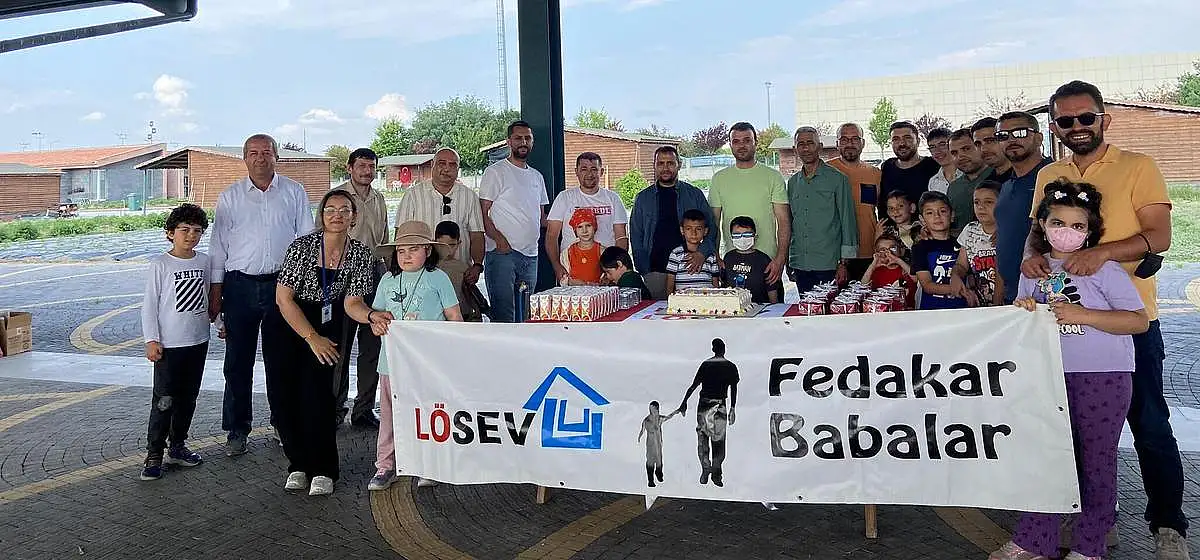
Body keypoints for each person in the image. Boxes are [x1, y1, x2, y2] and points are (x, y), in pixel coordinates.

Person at [1023, 80, 1186, 559]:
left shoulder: (1139, 166)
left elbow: (1159, 235)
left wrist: (1102, 254)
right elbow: (1037, 233)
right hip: (1063, 333)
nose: (1076, 126)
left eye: (1085, 117)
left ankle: (1168, 525)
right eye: (1065, 120)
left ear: (1103, 119)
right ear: (1054, 126)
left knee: (1149, 426)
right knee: (1071, 433)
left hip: (1128, 320)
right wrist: (1032, 259)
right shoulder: (1049, 172)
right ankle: (1095, 520)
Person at [993, 179, 1149, 560]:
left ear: (1090, 230)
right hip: (1048, 377)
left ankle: (1090, 545)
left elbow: (1138, 320)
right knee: (1046, 458)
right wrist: (1023, 310)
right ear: (1042, 225)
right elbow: (1022, 316)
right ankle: (1035, 540)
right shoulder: (1033, 271)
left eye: (1078, 225)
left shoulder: (1105, 269)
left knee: (1097, 461)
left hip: (1103, 378)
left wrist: (1084, 315)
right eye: (1058, 223)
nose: (1067, 232)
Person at [208, 133, 314, 457]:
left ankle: (282, 423)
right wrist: (216, 294)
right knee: (237, 363)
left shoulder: (294, 192)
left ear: (276, 157)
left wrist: (303, 289)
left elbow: (306, 241)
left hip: (282, 286)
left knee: (280, 361)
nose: (260, 158)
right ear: (244, 158)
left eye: (266, 152)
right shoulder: (230, 197)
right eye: (253, 153)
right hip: (239, 287)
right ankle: (237, 429)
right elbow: (217, 248)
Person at [268, 190, 377, 497]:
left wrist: (372, 316)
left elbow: (353, 303)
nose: (337, 215)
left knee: (318, 397)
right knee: (284, 397)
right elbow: (283, 299)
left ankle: (324, 469)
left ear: (354, 217)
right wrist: (311, 337)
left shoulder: (361, 254)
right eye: (330, 209)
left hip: (327, 323)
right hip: (288, 322)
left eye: (344, 210)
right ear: (321, 214)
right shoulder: (302, 246)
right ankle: (298, 464)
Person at [366, 221, 464, 491]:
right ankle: (386, 465)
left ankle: (428, 463)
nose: (406, 256)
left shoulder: (438, 278)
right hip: (391, 363)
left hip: (428, 363)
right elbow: (376, 317)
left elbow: (454, 316)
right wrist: (376, 325)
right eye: (401, 251)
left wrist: (455, 352)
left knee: (428, 413)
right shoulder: (388, 280)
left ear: (428, 251)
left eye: (414, 249)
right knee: (389, 415)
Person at [139, 204, 211, 481]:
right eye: (184, 230)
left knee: (188, 398)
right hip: (169, 345)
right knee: (164, 400)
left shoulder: (204, 261)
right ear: (170, 233)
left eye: (197, 230)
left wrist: (219, 324)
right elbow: (150, 305)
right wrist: (152, 339)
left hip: (197, 341)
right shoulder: (161, 264)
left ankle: (178, 445)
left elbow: (208, 298)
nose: (191, 235)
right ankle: (154, 453)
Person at [332, 147, 388, 429]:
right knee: (339, 346)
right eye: (362, 166)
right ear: (350, 168)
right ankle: (334, 408)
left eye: (371, 166)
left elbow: (384, 239)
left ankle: (363, 409)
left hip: (375, 273)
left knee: (372, 346)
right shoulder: (338, 197)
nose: (367, 171)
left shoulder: (379, 198)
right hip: (344, 274)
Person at [481, 121, 549, 322]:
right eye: (518, 138)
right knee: (504, 316)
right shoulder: (495, 172)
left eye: (528, 138)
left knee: (526, 314)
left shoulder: (537, 177)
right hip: (503, 255)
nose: (523, 142)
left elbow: (542, 218)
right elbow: (482, 212)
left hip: (531, 255)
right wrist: (497, 239)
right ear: (509, 142)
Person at [708, 122, 790, 288]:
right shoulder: (719, 179)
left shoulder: (773, 177)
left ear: (755, 142)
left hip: (768, 266)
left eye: (747, 140)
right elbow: (714, 222)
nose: (741, 145)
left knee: (771, 304)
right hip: (732, 264)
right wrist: (715, 256)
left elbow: (783, 221)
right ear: (730, 145)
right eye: (736, 141)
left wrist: (780, 258)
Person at [629, 145, 717, 299]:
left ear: (679, 165)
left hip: (690, 269)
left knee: (695, 311)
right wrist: (644, 269)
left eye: (670, 163)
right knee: (658, 313)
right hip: (656, 271)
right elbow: (636, 236)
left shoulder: (694, 195)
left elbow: (712, 229)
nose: (665, 168)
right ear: (654, 166)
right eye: (660, 163)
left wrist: (702, 253)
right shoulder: (643, 198)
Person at [394, 147, 486, 281]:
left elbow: (477, 235)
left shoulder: (469, 196)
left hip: (460, 274)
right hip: (420, 274)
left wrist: (477, 266)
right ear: (433, 165)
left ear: (458, 168)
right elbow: (401, 235)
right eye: (442, 163)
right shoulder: (413, 195)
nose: (447, 169)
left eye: (452, 165)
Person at [785, 126, 858, 292]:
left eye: (810, 143)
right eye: (801, 144)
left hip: (829, 264)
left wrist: (844, 263)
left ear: (820, 146)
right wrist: (789, 260)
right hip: (800, 263)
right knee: (806, 307)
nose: (805, 148)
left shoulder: (838, 179)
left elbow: (848, 222)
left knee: (830, 308)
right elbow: (790, 223)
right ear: (795, 149)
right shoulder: (793, 183)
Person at [993, 111, 1051, 304]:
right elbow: (1003, 243)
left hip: (1047, 294)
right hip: (1013, 297)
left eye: (1020, 132)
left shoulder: (1055, 177)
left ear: (1039, 138)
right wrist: (998, 298)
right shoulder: (1006, 186)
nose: (1011, 140)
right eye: (1003, 136)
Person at [546, 152, 629, 283]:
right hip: (572, 273)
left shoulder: (613, 198)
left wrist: (615, 270)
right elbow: (551, 236)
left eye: (594, 169)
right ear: (576, 172)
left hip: (606, 273)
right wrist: (557, 267)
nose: (589, 174)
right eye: (584, 169)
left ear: (601, 172)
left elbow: (621, 237)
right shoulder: (565, 197)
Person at [677, 338, 739, 487]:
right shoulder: (730, 366)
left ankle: (707, 469)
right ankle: (715, 473)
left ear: (713, 349)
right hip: (719, 406)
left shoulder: (706, 364)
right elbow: (734, 389)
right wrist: (733, 408)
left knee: (703, 438)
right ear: (724, 349)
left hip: (704, 405)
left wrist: (684, 402)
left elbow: (694, 386)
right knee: (719, 441)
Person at [827, 123, 883, 261]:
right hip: (834, 253)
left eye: (855, 139)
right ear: (837, 144)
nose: (849, 144)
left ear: (863, 143)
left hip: (869, 251)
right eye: (844, 139)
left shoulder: (875, 174)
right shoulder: (826, 171)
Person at [912, 191, 969, 310]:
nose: (937, 216)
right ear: (922, 219)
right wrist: (961, 290)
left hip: (961, 310)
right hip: (932, 312)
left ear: (952, 215)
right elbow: (927, 285)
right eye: (930, 213)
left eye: (942, 211)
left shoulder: (962, 244)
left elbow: (970, 276)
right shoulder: (920, 247)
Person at [877, 121, 940, 220]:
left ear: (918, 141)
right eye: (896, 139)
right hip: (893, 229)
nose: (902, 143)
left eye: (907, 138)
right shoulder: (887, 167)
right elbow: (882, 204)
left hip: (928, 228)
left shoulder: (933, 166)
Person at [957, 180, 1003, 307]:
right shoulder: (970, 230)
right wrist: (955, 276)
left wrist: (997, 306)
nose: (981, 207)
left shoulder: (1009, 232)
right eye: (976, 202)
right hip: (980, 305)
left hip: (1007, 305)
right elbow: (961, 264)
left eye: (988, 202)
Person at [946, 128, 994, 233]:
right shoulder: (954, 187)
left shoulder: (1000, 177)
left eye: (966, 149)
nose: (960, 157)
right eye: (954, 153)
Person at [434, 221, 483, 322]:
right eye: (442, 245)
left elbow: (470, 294)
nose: (447, 249)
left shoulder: (462, 267)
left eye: (452, 245)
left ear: (459, 243)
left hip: (460, 316)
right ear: (434, 243)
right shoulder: (428, 267)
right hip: (436, 317)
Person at [722, 216, 779, 304]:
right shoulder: (728, 257)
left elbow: (771, 288)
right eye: (737, 235)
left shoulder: (763, 259)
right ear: (731, 237)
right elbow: (723, 284)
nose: (742, 239)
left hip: (760, 306)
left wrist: (774, 307)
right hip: (733, 306)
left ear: (754, 236)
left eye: (747, 234)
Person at [666, 209, 720, 293]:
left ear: (705, 231)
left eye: (698, 229)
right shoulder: (676, 254)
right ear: (682, 230)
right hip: (683, 299)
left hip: (707, 299)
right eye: (688, 228)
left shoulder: (711, 256)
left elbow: (715, 284)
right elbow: (670, 285)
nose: (693, 233)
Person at [861, 233, 916, 309]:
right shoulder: (876, 271)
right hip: (883, 310)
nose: (888, 253)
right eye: (882, 250)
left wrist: (898, 261)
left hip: (908, 309)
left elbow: (916, 278)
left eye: (892, 248)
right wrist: (873, 265)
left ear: (901, 250)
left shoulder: (906, 268)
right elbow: (863, 286)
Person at [638, 401, 679, 488]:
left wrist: (676, 412)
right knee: (650, 462)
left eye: (655, 409)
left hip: (658, 444)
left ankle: (659, 474)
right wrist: (639, 436)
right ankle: (650, 481)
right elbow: (642, 429)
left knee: (659, 461)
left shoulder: (659, 419)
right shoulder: (647, 420)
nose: (654, 411)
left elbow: (668, 417)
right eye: (652, 409)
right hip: (650, 445)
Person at [559, 207, 604, 285]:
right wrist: (571, 282)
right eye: (580, 227)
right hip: (574, 292)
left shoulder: (602, 251)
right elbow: (562, 279)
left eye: (588, 225)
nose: (584, 230)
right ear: (575, 230)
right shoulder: (567, 253)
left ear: (594, 227)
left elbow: (608, 277)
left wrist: (599, 284)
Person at [875, 190, 921, 256]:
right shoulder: (886, 231)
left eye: (900, 206)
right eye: (891, 208)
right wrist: (877, 236)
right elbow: (878, 252)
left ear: (912, 208)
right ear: (888, 212)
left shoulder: (919, 229)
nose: (895, 211)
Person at [972, 117, 1015, 185]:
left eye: (990, 141)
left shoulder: (1030, 177)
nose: (983, 149)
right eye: (978, 144)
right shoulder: (986, 184)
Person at [925, 127, 961, 194]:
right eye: (932, 147)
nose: (937, 151)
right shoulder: (933, 182)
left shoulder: (968, 174)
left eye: (942, 145)